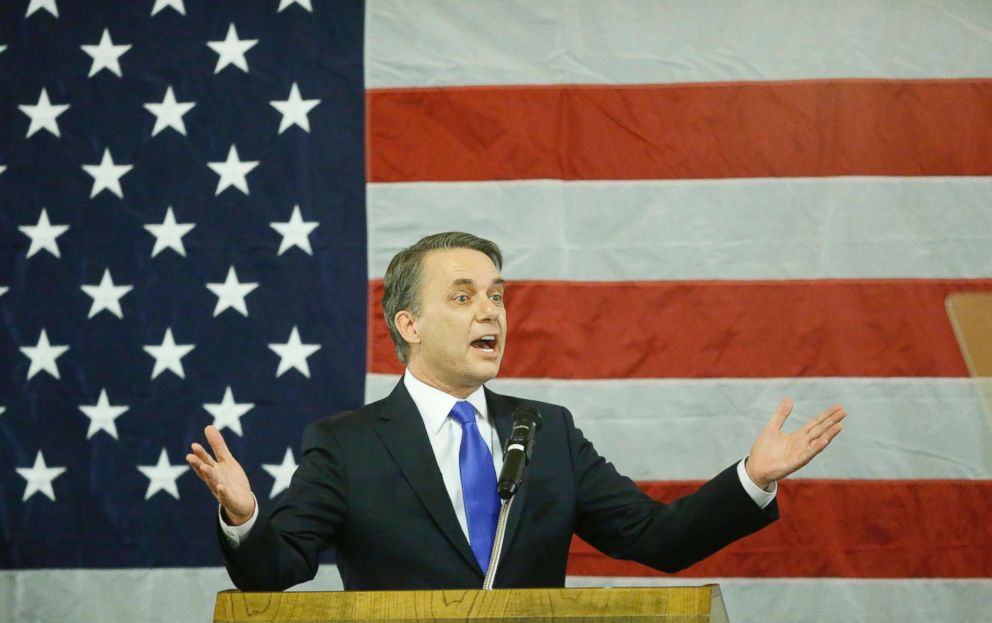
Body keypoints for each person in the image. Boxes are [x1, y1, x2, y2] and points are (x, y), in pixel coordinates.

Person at [186, 232, 846, 591]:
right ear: (409, 322)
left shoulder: (546, 430)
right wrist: (245, 516)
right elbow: (272, 572)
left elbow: (659, 540)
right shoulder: (345, 444)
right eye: (465, 295)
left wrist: (752, 477)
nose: (490, 312)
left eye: (497, 296)